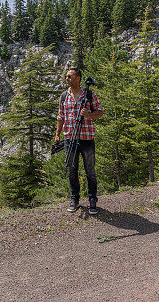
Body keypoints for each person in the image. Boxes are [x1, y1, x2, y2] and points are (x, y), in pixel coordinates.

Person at [55, 67, 103, 214]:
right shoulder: (64, 96)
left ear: (78, 78)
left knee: (90, 171)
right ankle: (74, 199)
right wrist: (57, 135)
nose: (67, 79)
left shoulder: (89, 94)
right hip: (69, 138)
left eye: (69, 77)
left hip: (87, 139)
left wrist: (89, 115)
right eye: (66, 77)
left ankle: (92, 200)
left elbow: (100, 112)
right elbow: (60, 117)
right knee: (72, 170)